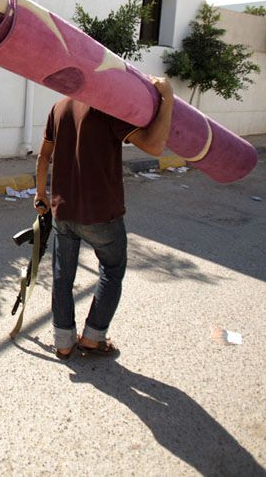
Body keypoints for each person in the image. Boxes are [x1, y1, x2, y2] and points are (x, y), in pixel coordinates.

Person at [34, 76, 174, 359]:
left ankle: (63, 342)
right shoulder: (108, 107)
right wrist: (167, 98)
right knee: (111, 269)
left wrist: (41, 194)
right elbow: (155, 145)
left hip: (64, 212)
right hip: (102, 215)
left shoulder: (59, 107)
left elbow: (43, 155)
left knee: (62, 276)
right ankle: (93, 337)